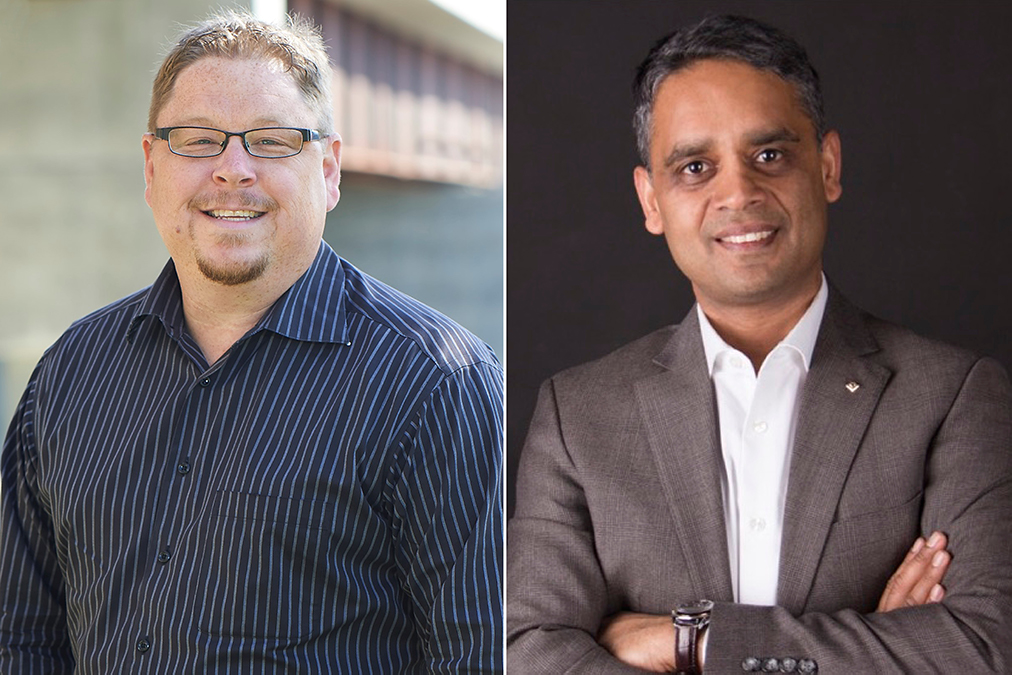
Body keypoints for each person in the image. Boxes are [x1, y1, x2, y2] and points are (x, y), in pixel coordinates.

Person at [0, 10, 502, 673]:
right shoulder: (71, 371)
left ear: (328, 169)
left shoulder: (439, 386)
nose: (233, 169)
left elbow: (479, 655)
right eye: (198, 140)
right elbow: (21, 639)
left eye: (271, 140)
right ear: (151, 168)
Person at [508, 14, 1011, 673]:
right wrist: (873, 645)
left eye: (769, 155)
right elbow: (527, 650)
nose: (739, 192)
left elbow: (984, 646)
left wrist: (692, 643)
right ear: (651, 200)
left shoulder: (955, 394)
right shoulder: (577, 415)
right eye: (694, 166)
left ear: (827, 166)